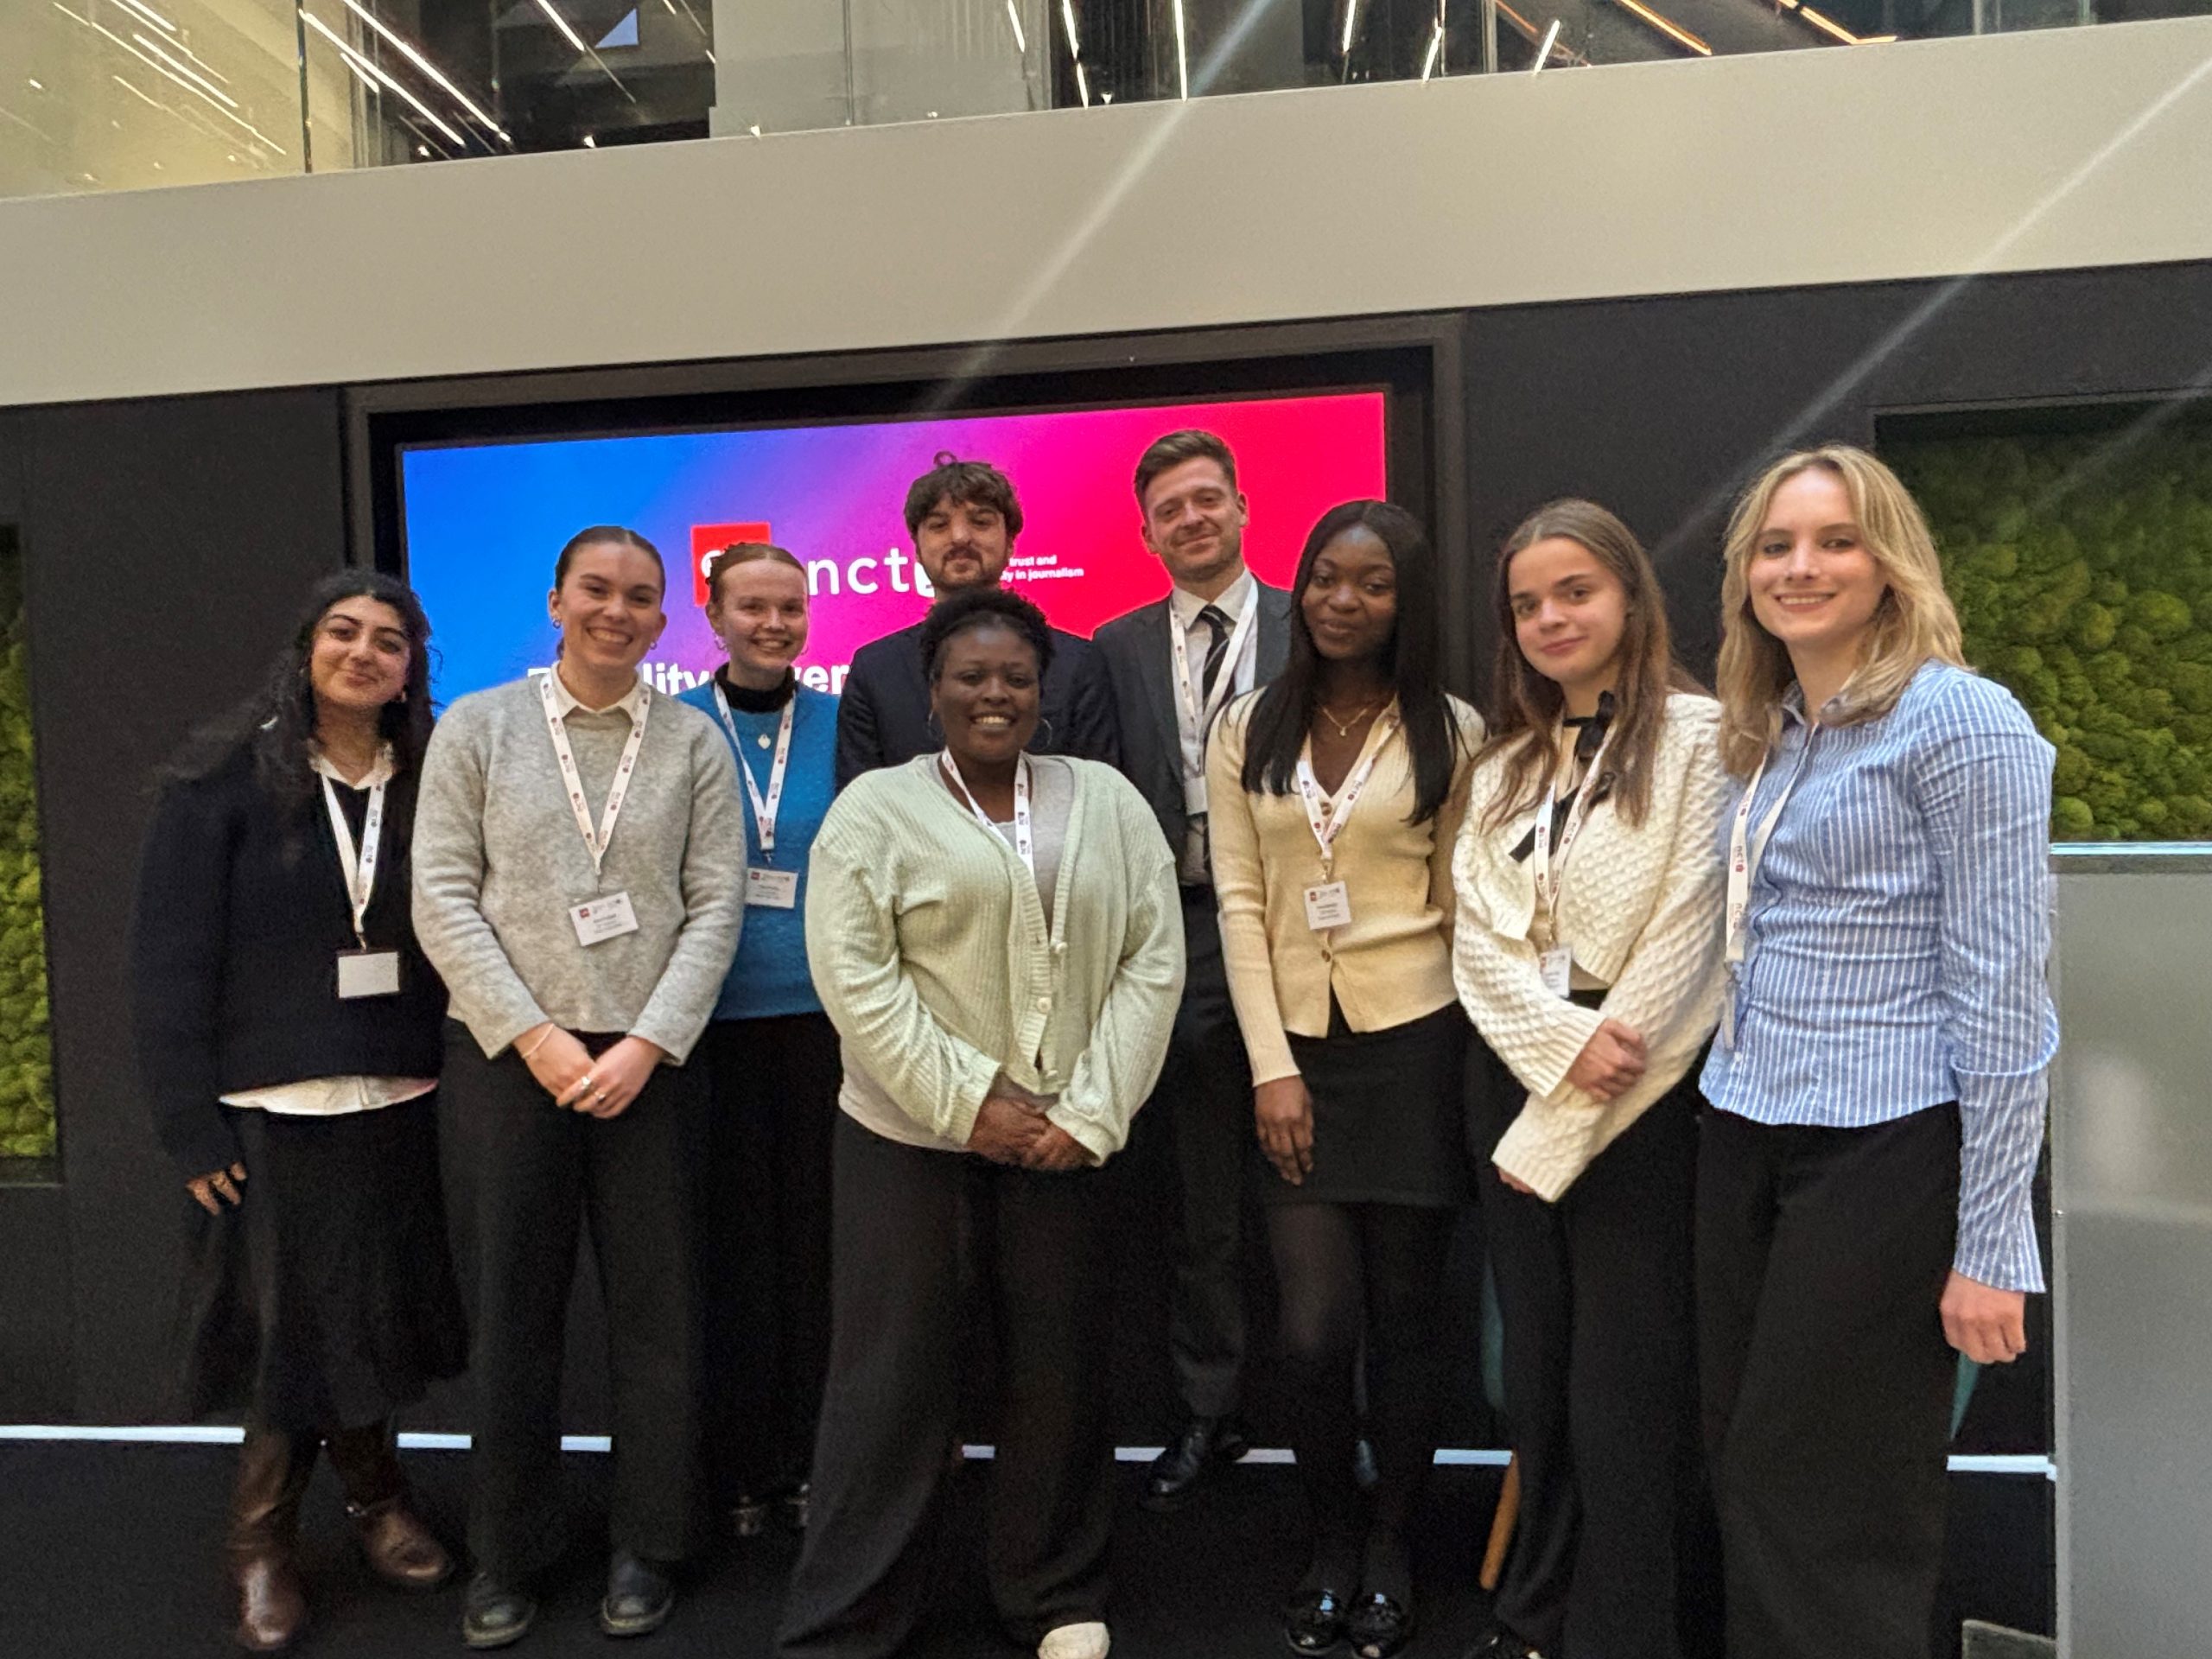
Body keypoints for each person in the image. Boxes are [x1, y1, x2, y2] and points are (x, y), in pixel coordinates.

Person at [778, 587, 1185, 1659]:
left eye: (1015, 675)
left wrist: (1087, 1111)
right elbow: (854, 976)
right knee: (891, 1382)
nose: (994, 692)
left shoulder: (1104, 798)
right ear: (933, 691)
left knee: (1057, 1371)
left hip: (1067, 1141)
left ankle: (1053, 1592)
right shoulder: (875, 809)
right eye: (971, 675)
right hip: (906, 1144)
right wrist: (969, 1104)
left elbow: (1153, 957)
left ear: (1044, 692)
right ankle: (848, 1616)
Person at [1699, 445, 2057, 1659]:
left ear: (1891, 561)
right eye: (1776, 544)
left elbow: (2007, 998)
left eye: (1836, 540)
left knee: (1827, 1496)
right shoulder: (1769, 729)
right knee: (1752, 1473)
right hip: (1746, 1124)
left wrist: (1994, 1239)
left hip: (1887, 1144)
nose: (1802, 567)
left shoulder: (1963, 720)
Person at [412, 525, 747, 1649]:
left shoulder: (693, 741)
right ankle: (509, 1551)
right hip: (512, 1066)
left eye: (641, 597)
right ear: (554, 601)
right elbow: (443, 897)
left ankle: (649, 1543)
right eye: (596, 590)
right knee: (512, 1313)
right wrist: (535, 1038)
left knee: (659, 1316)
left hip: (651, 1068)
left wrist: (647, 1042)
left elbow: (717, 904)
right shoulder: (478, 727)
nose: (618, 610)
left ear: (663, 620)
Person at [131, 571, 464, 1653]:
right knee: (292, 1328)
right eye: (343, 632)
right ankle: (264, 1541)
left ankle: (371, 1499)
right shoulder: (223, 782)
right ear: (305, 648)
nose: (365, 653)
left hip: (403, 1094)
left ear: (413, 666)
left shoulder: (433, 779)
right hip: (269, 1109)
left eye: (390, 640)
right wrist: (188, 1121)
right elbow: (167, 964)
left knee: (362, 1310)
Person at [1451, 500, 1727, 1659]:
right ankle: (1535, 1614)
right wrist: (1560, 1053)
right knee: (1541, 1376)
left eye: (1575, 592)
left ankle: (1636, 1628)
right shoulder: (1507, 760)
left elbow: (1693, 921)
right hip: (1519, 1080)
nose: (1550, 618)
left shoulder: (1705, 738)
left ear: (1628, 599)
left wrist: (1595, 1064)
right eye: (1527, 603)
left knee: (1629, 1387)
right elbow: (1474, 932)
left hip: (1649, 1097)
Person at [1206, 499, 1482, 1659]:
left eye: (1370, 583)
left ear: (1403, 602)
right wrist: (1272, 1067)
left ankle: (1390, 1544)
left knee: (1410, 1322)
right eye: (1325, 576)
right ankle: (1328, 1532)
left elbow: (1471, 903)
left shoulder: (1454, 729)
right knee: (1316, 1331)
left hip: (1417, 1043)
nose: (1341, 600)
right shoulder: (1243, 729)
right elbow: (1238, 901)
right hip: (1292, 1058)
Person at [1090, 429, 1293, 1509]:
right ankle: (1207, 1409)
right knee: (1201, 1199)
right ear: (1147, 532)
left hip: (1305, 941)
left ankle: (1325, 1417)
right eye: (1170, 509)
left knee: (1318, 1196)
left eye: (1208, 499)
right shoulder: (1112, 647)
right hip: (1171, 933)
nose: (1192, 520)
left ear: (1243, 507)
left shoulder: (1316, 624)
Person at [675, 542, 841, 1538]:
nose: (773, 625)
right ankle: (743, 1469)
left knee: (822, 1257)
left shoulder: (841, 721)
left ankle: (824, 1463)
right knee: (730, 1260)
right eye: (752, 607)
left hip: (824, 1027)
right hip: (704, 1030)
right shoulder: (673, 726)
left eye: (789, 608)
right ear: (714, 614)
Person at [834, 453, 1116, 786]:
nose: (959, 537)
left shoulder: (1076, 662)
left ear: (1011, 544)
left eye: (980, 522)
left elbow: (1100, 796)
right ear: (917, 550)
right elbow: (861, 809)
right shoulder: (876, 670)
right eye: (939, 525)